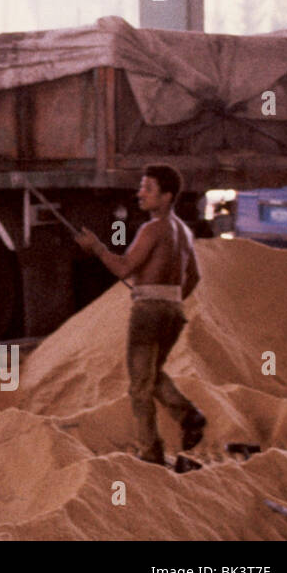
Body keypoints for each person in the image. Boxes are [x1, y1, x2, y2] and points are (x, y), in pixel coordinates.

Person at [74, 164, 207, 465]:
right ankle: (189, 417)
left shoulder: (152, 228)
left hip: (148, 313)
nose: (140, 194)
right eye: (141, 187)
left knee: (138, 387)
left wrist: (97, 247)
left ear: (167, 196)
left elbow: (123, 268)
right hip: (173, 311)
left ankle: (151, 451)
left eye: (148, 188)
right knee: (151, 375)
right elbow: (195, 277)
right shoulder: (183, 231)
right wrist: (169, 300)